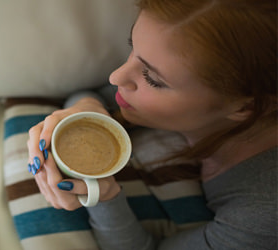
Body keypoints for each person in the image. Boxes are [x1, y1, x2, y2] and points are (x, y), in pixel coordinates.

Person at [26, 0, 277, 249]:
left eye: (153, 79)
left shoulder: (262, 215)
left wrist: (103, 197)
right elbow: (92, 93)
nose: (116, 76)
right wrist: (88, 109)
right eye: (132, 47)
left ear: (246, 107)